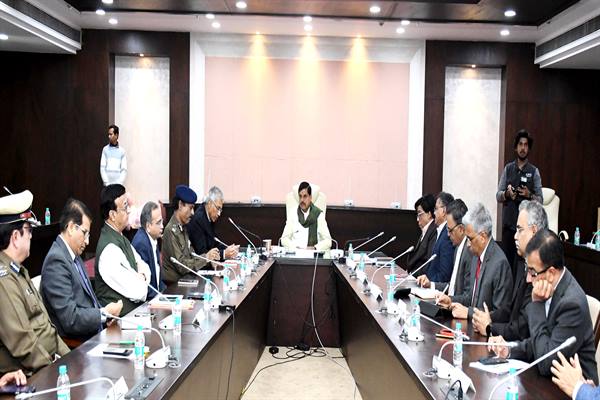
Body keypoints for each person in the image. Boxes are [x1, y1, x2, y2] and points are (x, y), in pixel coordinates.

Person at [489, 231, 598, 382]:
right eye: (527, 269)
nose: (528, 279)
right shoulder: (554, 286)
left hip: (577, 388)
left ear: (551, 273)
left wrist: (537, 305)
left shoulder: (572, 304)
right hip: (550, 380)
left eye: (532, 272)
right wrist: (509, 349)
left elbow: (546, 362)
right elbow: (540, 341)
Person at [0, 190, 69, 374]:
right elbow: (22, 342)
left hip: (48, 365)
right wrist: (57, 369)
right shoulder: (4, 280)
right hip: (31, 374)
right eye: (29, 230)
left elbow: (48, 328)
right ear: (15, 237)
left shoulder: (19, 271)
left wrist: (71, 360)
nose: (31, 236)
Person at [41, 198, 123, 341]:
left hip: (94, 333)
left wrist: (107, 316)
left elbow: (89, 302)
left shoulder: (74, 255)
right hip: (78, 344)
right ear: (71, 227)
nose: (87, 241)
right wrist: (103, 314)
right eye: (85, 233)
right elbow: (70, 319)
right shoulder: (56, 261)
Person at [472, 200, 547, 340]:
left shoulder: (543, 269)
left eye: (520, 230)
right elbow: (511, 310)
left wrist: (490, 328)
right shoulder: (524, 264)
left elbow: (523, 328)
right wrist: (488, 317)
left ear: (534, 231)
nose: (515, 236)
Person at [436, 203, 513, 319]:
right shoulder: (476, 256)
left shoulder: (499, 264)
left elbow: (501, 314)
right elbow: (470, 298)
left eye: (470, 239)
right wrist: (450, 301)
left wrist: (469, 313)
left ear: (482, 237)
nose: (467, 244)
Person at [94, 184, 151, 315]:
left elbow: (145, 267)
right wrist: (141, 278)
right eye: (125, 207)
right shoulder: (109, 250)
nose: (129, 210)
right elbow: (139, 292)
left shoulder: (121, 237)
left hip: (135, 315)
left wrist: (141, 276)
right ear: (112, 215)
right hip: (120, 322)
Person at [497, 129, 543, 277]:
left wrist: (529, 195)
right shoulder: (508, 169)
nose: (523, 148)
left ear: (529, 148)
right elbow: (498, 196)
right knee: (507, 265)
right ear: (515, 148)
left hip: (526, 229)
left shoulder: (534, 172)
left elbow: (540, 200)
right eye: (520, 144)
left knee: (523, 266)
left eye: (526, 145)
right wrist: (507, 194)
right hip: (509, 226)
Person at [162, 185, 218, 284]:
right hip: (175, 285)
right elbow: (182, 266)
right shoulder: (170, 231)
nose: (193, 213)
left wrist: (209, 260)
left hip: (187, 281)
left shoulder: (183, 228)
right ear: (180, 205)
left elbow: (192, 256)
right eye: (191, 208)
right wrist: (206, 258)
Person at [417, 199, 472, 297]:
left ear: (461, 229)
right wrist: (431, 284)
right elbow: (452, 287)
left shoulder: (469, 253)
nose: (448, 234)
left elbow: (466, 297)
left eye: (450, 230)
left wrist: (449, 301)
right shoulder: (458, 248)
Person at [187, 186, 239, 261]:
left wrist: (228, 249)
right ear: (209, 203)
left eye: (220, 210)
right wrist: (224, 254)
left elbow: (214, 242)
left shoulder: (209, 216)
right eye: (218, 208)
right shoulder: (198, 219)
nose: (219, 214)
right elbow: (202, 253)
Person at [416, 192, 455, 286]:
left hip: (436, 289)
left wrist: (429, 282)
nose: (434, 213)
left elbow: (444, 275)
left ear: (444, 211)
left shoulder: (447, 235)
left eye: (436, 209)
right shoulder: (440, 231)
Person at [280, 181, 332, 251]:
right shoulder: (293, 213)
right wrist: (295, 248)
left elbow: (328, 241)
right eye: (300, 196)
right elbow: (284, 239)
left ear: (310, 197)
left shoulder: (318, 214)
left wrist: (315, 248)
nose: (302, 200)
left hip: (312, 254)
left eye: (305, 196)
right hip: (296, 253)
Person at [132, 202, 166, 300]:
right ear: (148, 226)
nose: (162, 226)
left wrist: (165, 294)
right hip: (147, 301)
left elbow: (158, 277)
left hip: (156, 296)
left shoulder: (152, 238)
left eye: (162, 222)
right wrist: (160, 298)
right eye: (158, 223)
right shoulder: (141, 243)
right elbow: (146, 285)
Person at [406, 194, 437, 272]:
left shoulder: (434, 231)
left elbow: (427, 261)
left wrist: (412, 274)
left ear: (429, 214)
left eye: (419, 214)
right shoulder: (426, 230)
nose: (417, 219)